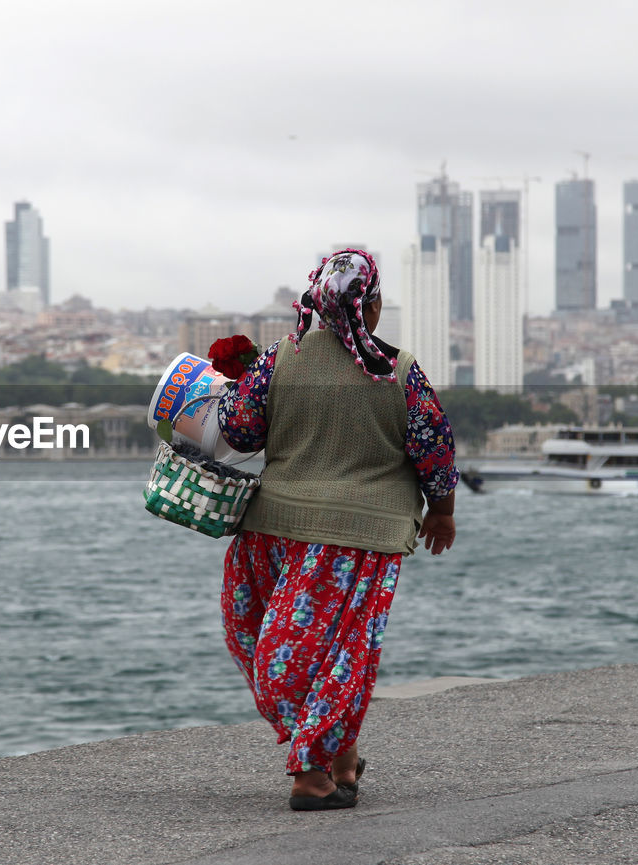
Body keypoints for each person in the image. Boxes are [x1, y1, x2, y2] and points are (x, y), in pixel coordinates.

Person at [215, 249, 458, 811]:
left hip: (272, 531)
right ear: (370, 306)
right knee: (341, 650)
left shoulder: (280, 360)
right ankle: (314, 773)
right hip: (359, 537)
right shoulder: (398, 371)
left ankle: (330, 755)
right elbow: (434, 450)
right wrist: (442, 511)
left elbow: (239, 431)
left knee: (273, 645)